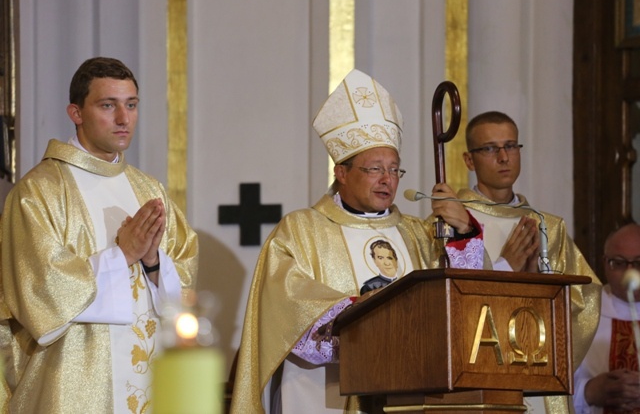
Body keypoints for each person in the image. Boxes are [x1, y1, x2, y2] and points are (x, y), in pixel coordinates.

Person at [230, 69, 486, 414]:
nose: (387, 180)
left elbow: (460, 303)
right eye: (374, 169)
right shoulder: (301, 230)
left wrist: (462, 233)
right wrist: (362, 317)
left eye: (395, 169)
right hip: (324, 393)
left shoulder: (418, 233)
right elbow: (284, 306)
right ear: (341, 172)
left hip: (410, 393)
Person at [0, 57, 199, 413]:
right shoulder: (38, 192)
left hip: (151, 378)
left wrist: (153, 263)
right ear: (75, 113)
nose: (124, 119)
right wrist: (121, 256)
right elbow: (38, 292)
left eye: (131, 105)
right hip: (74, 385)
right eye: (108, 105)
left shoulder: (148, 188)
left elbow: (181, 282)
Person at [454, 110, 601, 413]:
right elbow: (451, 305)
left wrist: (542, 288)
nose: (504, 157)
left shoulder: (548, 226)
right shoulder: (455, 224)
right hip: (485, 378)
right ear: (469, 160)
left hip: (540, 374)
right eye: (491, 148)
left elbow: (585, 298)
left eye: (511, 146)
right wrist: (505, 269)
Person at [573, 223, 640, 414]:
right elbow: (548, 392)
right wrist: (589, 392)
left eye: (639, 262)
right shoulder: (579, 315)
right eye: (619, 262)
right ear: (604, 263)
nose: (630, 272)